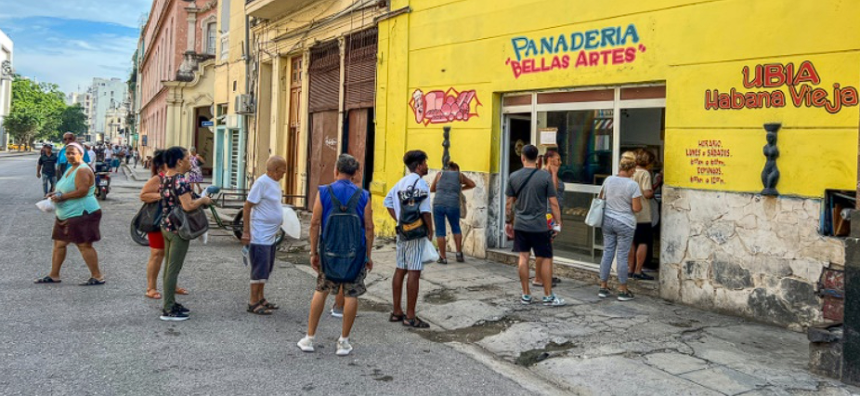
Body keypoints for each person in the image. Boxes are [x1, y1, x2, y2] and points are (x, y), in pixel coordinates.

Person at [298, 154, 374, 356]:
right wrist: (368, 255)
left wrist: (314, 252)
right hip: (354, 254)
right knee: (351, 294)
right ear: (355, 173)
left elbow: (314, 223)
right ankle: (343, 342)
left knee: (321, 290)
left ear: (335, 170)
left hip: (328, 252)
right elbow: (368, 227)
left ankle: (309, 338)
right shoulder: (363, 195)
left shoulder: (324, 192)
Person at [35, 142, 105, 286]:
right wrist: (55, 193)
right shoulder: (71, 168)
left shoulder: (82, 170)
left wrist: (61, 197)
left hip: (82, 212)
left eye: (73, 153)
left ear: (81, 154)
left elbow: (82, 191)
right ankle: (54, 275)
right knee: (59, 243)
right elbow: (67, 187)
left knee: (84, 244)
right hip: (66, 213)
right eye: (68, 153)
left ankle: (97, 276)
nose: (70, 156)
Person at [505, 144, 565, 307]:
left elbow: (509, 202)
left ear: (522, 157)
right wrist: (557, 222)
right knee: (545, 258)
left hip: (521, 224)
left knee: (523, 257)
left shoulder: (513, 176)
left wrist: (508, 221)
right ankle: (547, 296)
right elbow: (553, 203)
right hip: (540, 225)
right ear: (537, 159)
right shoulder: (544, 177)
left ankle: (526, 294)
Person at [158, 147, 212, 321]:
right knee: (173, 269)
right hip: (178, 229)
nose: (191, 161)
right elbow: (188, 206)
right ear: (179, 161)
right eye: (188, 158)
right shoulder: (180, 180)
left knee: (168, 267)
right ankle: (168, 309)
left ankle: (171, 303)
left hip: (166, 225)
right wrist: (203, 200)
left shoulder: (166, 177)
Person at [384, 150, 434, 328]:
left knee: (400, 269)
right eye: (425, 163)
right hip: (415, 233)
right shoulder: (421, 184)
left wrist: (399, 219)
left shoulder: (400, 183)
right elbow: (425, 211)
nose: (427, 166)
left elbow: (387, 202)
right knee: (414, 271)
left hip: (402, 231)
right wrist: (430, 229)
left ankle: (397, 311)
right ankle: (410, 316)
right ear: (419, 165)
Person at [241, 156, 287, 315]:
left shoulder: (274, 182)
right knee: (259, 269)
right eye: (282, 171)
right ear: (275, 170)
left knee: (266, 269)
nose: (284, 174)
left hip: (270, 235)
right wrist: (246, 231)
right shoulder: (261, 183)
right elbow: (247, 207)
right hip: (260, 235)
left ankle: (261, 298)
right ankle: (253, 302)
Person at [139, 150, 188, 300]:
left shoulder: (177, 178)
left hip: (172, 221)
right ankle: (151, 287)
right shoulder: (158, 179)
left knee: (171, 256)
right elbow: (143, 195)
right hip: (157, 220)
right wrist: (164, 195)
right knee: (157, 254)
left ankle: (171, 285)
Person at [597, 157, 643, 301]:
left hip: (608, 221)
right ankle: (622, 289)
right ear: (629, 170)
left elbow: (601, 197)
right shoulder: (633, 185)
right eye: (633, 170)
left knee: (607, 252)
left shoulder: (608, 180)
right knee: (622, 255)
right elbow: (636, 208)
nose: (634, 173)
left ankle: (603, 286)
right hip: (625, 223)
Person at [430, 161, 475, 264]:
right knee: (456, 227)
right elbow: (472, 184)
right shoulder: (459, 175)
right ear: (456, 169)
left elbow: (432, 189)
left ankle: (443, 257)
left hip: (438, 204)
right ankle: (459, 253)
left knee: (440, 231)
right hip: (453, 204)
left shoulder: (439, 174)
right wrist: (459, 189)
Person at [534, 149, 563, 289]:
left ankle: (546, 275)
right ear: (550, 160)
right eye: (557, 159)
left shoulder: (548, 174)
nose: (560, 162)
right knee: (544, 247)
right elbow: (553, 191)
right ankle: (539, 278)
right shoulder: (545, 175)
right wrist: (554, 172)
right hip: (547, 216)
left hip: (552, 215)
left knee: (548, 246)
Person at [628, 149, 656, 281]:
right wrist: (653, 190)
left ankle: (630, 269)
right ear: (648, 162)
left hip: (630, 212)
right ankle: (638, 270)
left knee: (632, 242)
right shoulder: (645, 174)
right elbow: (647, 193)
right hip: (643, 213)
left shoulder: (630, 172)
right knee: (643, 242)